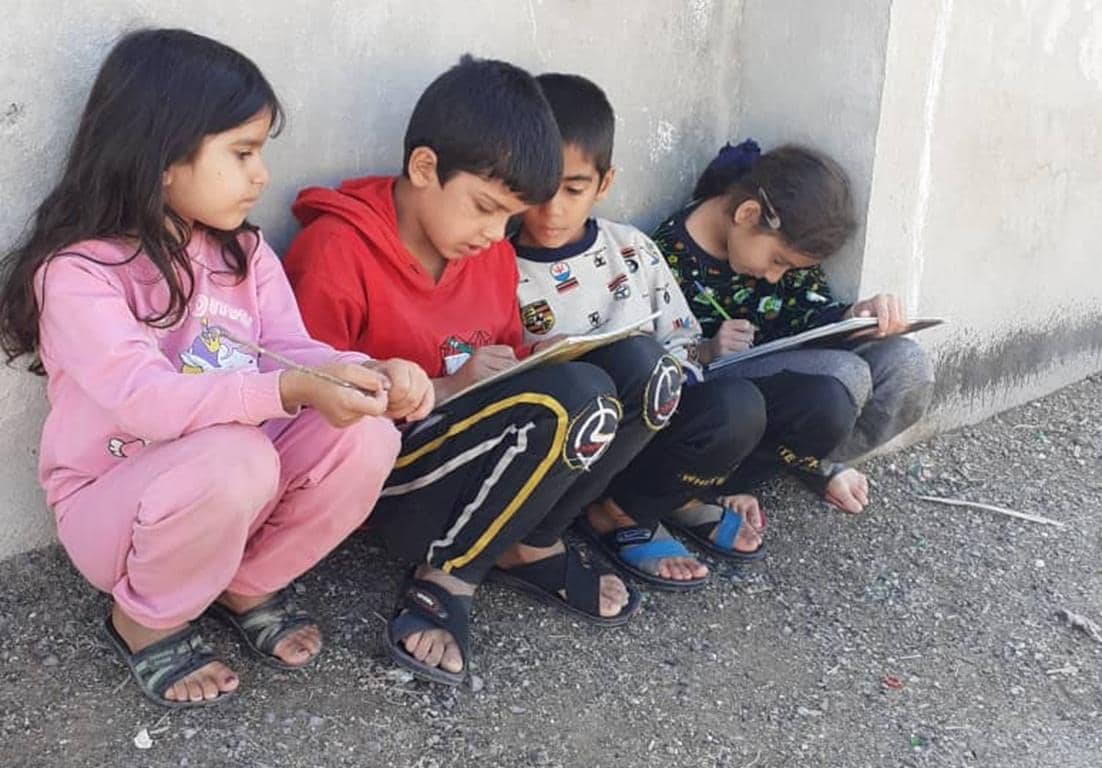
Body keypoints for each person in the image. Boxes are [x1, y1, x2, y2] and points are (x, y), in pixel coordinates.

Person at [0, 29, 430, 708]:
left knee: (367, 435)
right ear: (163, 156)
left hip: (231, 484)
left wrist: (365, 372)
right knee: (236, 457)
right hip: (115, 504)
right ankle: (145, 619)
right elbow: (146, 401)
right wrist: (288, 390)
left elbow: (293, 350)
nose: (261, 175)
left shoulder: (244, 253)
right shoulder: (78, 276)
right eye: (243, 152)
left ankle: (246, 580)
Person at [284, 56, 641, 686]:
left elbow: (495, 362)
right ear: (425, 168)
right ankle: (446, 579)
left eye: (508, 217)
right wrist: (448, 386)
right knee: (573, 398)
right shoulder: (336, 254)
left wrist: (533, 358)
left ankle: (530, 542)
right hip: (381, 482)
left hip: (471, 454)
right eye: (484, 208)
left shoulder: (489, 255)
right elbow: (308, 419)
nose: (494, 234)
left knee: (638, 371)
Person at [511, 73, 768, 590]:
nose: (552, 208)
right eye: (536, 187)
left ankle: (627, 509)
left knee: (739, 405)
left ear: (604, 183)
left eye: (574, 188)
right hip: (562, 446)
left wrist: (696, 353)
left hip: (645, 436)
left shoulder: (631, 250)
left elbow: (684, 347)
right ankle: (564, 525)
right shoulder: (492, 264)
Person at [652, 139, 935, 515]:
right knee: (843, 377)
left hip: (791, 377)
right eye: (777, 261)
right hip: (724, 401)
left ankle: (807, 460)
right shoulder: (664, 255)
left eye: (788, 269)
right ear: (748, 214)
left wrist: (856, 317)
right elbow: (657, 363)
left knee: (907, 364)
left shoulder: (777, 239)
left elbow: (807, 311)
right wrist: (708, 348)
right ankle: (724, 480)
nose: (774, 277)